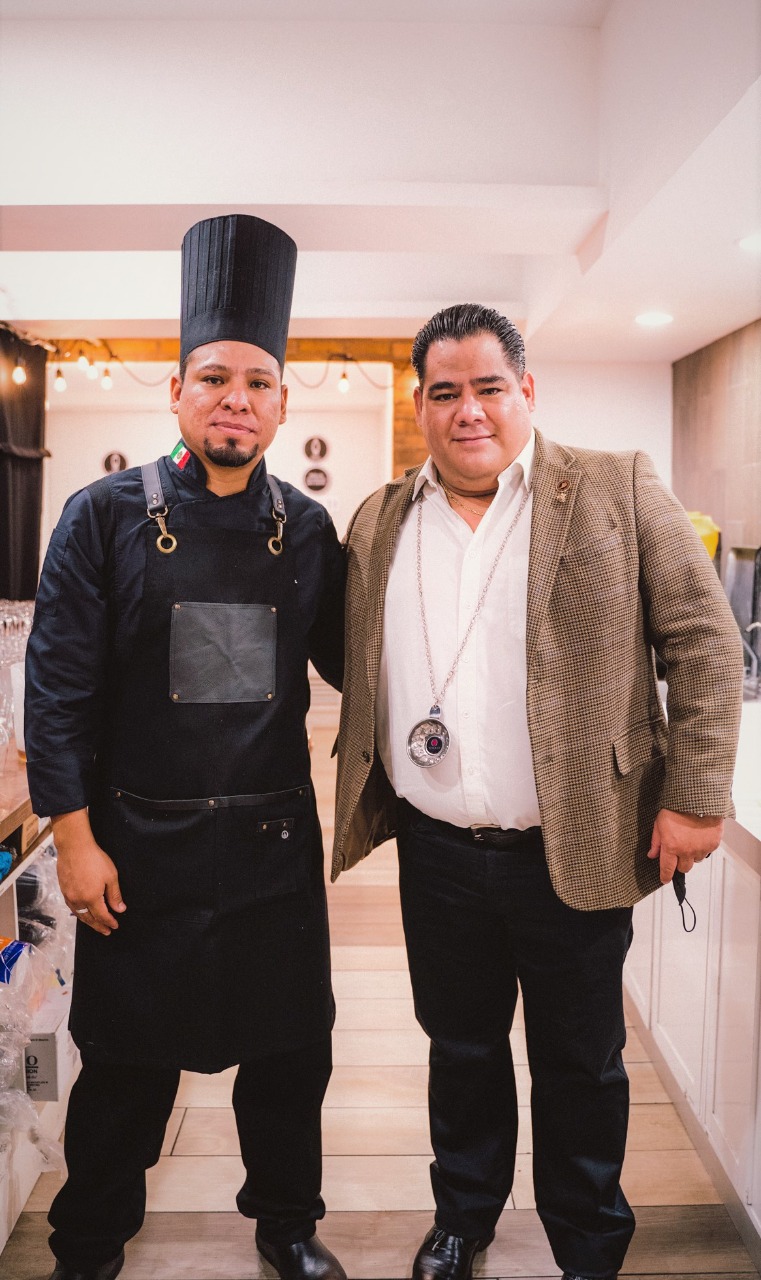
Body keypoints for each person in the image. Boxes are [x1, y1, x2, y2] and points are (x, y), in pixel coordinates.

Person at [331, 304, 743, 1280]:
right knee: (460, 1048)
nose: (466, 410)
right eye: (443, 392)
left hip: (578, 838)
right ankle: (462, 1218)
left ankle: (588, 1243)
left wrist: (695, 795)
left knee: (580, 1061)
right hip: (436, 848)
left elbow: (703, 641)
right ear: (419, 405)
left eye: (487, 387)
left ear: (525, 390)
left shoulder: (613, 483)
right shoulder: (379, 517)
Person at [25, 215, 347, 1280]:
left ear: (281, 403)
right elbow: (56, 691)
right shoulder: (101, 518)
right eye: (214, 378)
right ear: (175, 392)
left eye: (258, 382)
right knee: (124, 1067)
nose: (235, 398)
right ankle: (88, 1242)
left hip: (272, 848)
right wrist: (75, 841)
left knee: (289, 1059)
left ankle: (286, 1224)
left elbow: (364, 663)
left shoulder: (306, 530)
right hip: (137, 847)